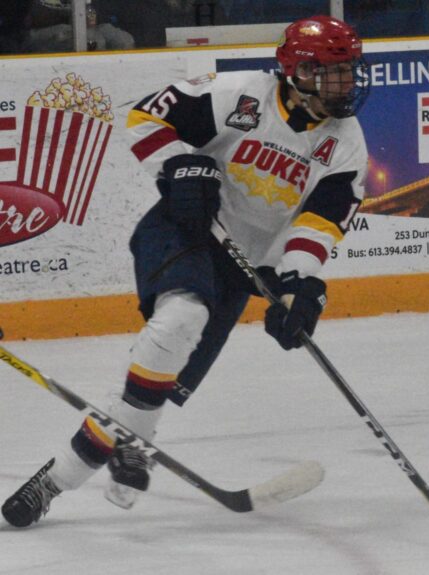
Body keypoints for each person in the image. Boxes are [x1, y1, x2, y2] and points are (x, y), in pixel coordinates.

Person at [2, 14, 370, 527]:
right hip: (185, 229)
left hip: (242, 268)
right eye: (333, 74)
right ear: (298, 72)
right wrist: (179, 166)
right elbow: (146, 117)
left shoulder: (345, 144)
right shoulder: (239, 95)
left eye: (349, 72)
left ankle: (76, 470)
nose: (345, 85)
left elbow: (319, 223)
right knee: (181, 319)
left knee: (153, 389)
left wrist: (297, 285)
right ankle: (106, 455)